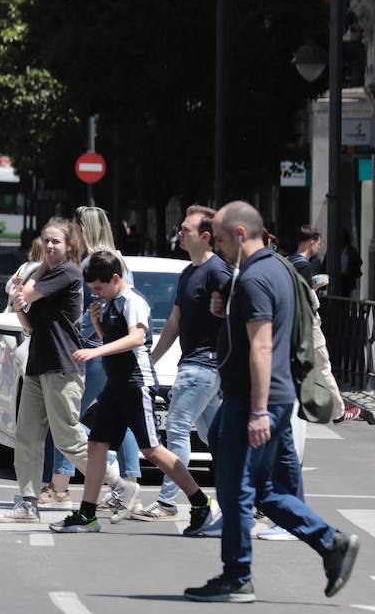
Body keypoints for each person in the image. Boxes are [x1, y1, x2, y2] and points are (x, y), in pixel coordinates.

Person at [183, 201, 359, 603]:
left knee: (235, 488)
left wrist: (258, 410)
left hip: (254, 401)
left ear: (241, 235)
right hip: (276, 397)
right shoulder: (279, 269)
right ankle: (331, 543)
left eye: (223, 240)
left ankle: (237, 576)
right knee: (267, 490)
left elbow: (262, 346)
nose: (220, 249)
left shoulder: (255, 278)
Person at [50, 251, 215, 535]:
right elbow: (114, 340)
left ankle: (200, 503)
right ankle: (87, 513)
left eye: (99, 288)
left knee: (151, 449)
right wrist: (99, 325)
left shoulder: (133, 301)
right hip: (116, 385)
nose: (96, 294)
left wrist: (95, 350)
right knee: (97, 444)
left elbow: (137, 337)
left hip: (135, 383)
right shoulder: (112, 302)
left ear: (115, 278)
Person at [0, 218, 133, 524]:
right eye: (45, 240)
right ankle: (27, 502)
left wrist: (23, 292)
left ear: (70, 245)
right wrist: (19, 306)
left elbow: (27, 294)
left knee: (67, 438)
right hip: (38, 364)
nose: (49, 246)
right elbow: (31, 324)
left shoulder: (68, 273)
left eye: (56, 241)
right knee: (27, 437)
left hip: (62, 366)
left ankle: (118, 484)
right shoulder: (47, 273)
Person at [133, 206, 230, 521]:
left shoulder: (218, 272)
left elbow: (238, 317)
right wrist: (150, 361)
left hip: (203, 367)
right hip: (192, 365)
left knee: (176, 429)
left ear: (205, 237)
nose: (180, 233)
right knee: (215, 436)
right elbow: (174, 322)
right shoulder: (188, 272)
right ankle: (247, 497)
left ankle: (167, 502)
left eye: (185, 229)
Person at [44, 206, 141, 514]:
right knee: (121, 420)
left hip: (89, 347)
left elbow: (89, 312)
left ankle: (60, 485)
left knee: (69, 420)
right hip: (111, 349)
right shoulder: (119, 260)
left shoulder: (90, 264)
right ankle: (129, 481)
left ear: (82, 230)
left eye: (74, 229)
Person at [285, 226, 358, 424]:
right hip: (308, 324)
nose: (320, 246)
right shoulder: (306, 267)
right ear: (312, 241)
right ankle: (338, 410)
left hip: (291, 324)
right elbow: (307, 300)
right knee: (322, 365)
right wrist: (315, 288)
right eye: (319, 242)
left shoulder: (288, 263)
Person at [336, 230, 362, 297]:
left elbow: (359, 261)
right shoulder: (334, 249)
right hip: (337, 277)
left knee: (346, 295)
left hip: (347, 277)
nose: (341, 240)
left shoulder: (351, 250)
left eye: (343, 238)